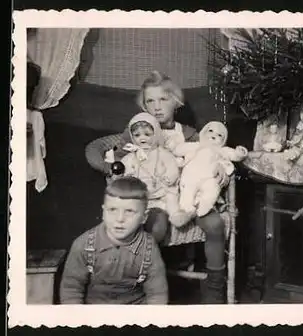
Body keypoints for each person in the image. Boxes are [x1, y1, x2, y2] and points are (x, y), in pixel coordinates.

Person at [85, 71, 230, 303]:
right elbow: (114, 158)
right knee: (157, 225)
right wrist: (111, 170)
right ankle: (148, 283)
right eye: (150, 101)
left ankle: (215, 288)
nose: (156, 107)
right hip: (156, 198)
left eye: (163, 99)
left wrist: (221, 167)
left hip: (190, 196)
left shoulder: (189, 134)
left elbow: (211, 153)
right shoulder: (138, 131)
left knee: (214, 224)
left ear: (176, 101)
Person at [59, 176, 169, 304]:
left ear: (144, 218)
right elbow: (71, 289)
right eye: (112, 210)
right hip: (95, 312)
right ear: (103, 212)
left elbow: (157, 294)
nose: (120, 219)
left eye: (129, 211)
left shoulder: (148, 247)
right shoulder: (83, 244)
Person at [119, 112, 192, 240]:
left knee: (171, 199)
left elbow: (172, 166)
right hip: (142, 197)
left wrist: (170, 176)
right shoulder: (131, 157)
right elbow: (122, 170)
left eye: (147, 134)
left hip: (161, 194)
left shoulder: (162, 153)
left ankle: (175, 215)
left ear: (156, 134)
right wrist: (126, 175)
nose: (142, 138)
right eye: (137, 135)